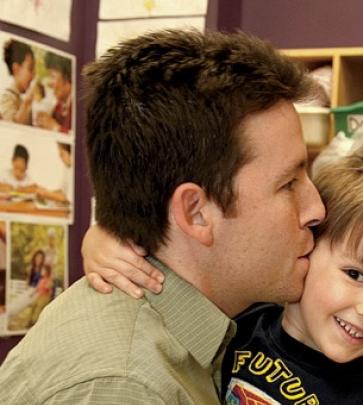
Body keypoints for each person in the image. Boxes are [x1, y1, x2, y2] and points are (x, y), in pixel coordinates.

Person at [0, 28, 325, 404]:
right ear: (196, 212)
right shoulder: (127, 386)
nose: (317, 209)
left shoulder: (190, 336)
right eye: (288, 184)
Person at [82, 144, 363, 404]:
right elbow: (170, 259)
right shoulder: (244, 314)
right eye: (356, 274)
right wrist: (103, 238)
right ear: (305, 246)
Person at [1, 39, 37, 125]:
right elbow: (13, 129)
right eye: (30, 69)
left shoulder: (20, 99)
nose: (33, 75)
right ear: (16, 69)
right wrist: (26, 104)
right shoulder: (7, 98)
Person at [35, 52, 72, 133]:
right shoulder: (60, 105)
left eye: (52, 76)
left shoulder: (79, 106)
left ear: (67, 77)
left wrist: (54, 127)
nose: (49, 83)